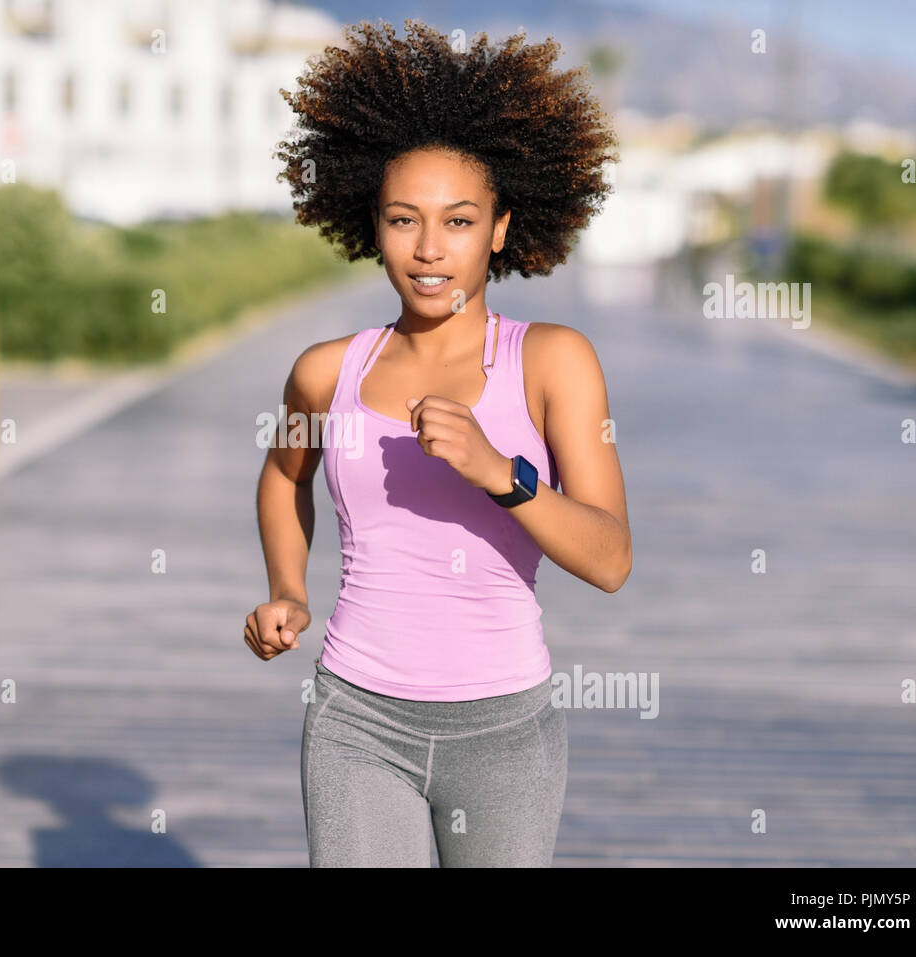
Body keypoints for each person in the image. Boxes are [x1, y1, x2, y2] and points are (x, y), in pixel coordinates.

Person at [246, 19, 630, 867]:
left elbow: (609, 559)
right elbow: (283, 478)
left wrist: (503, 474)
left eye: (458, 221)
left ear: (499, 228)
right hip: (355, 720)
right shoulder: (324, 372)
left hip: (505, 731)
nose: (428, 250)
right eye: (401, 220)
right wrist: (288, 589)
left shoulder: (553, 362)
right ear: (370, 225)